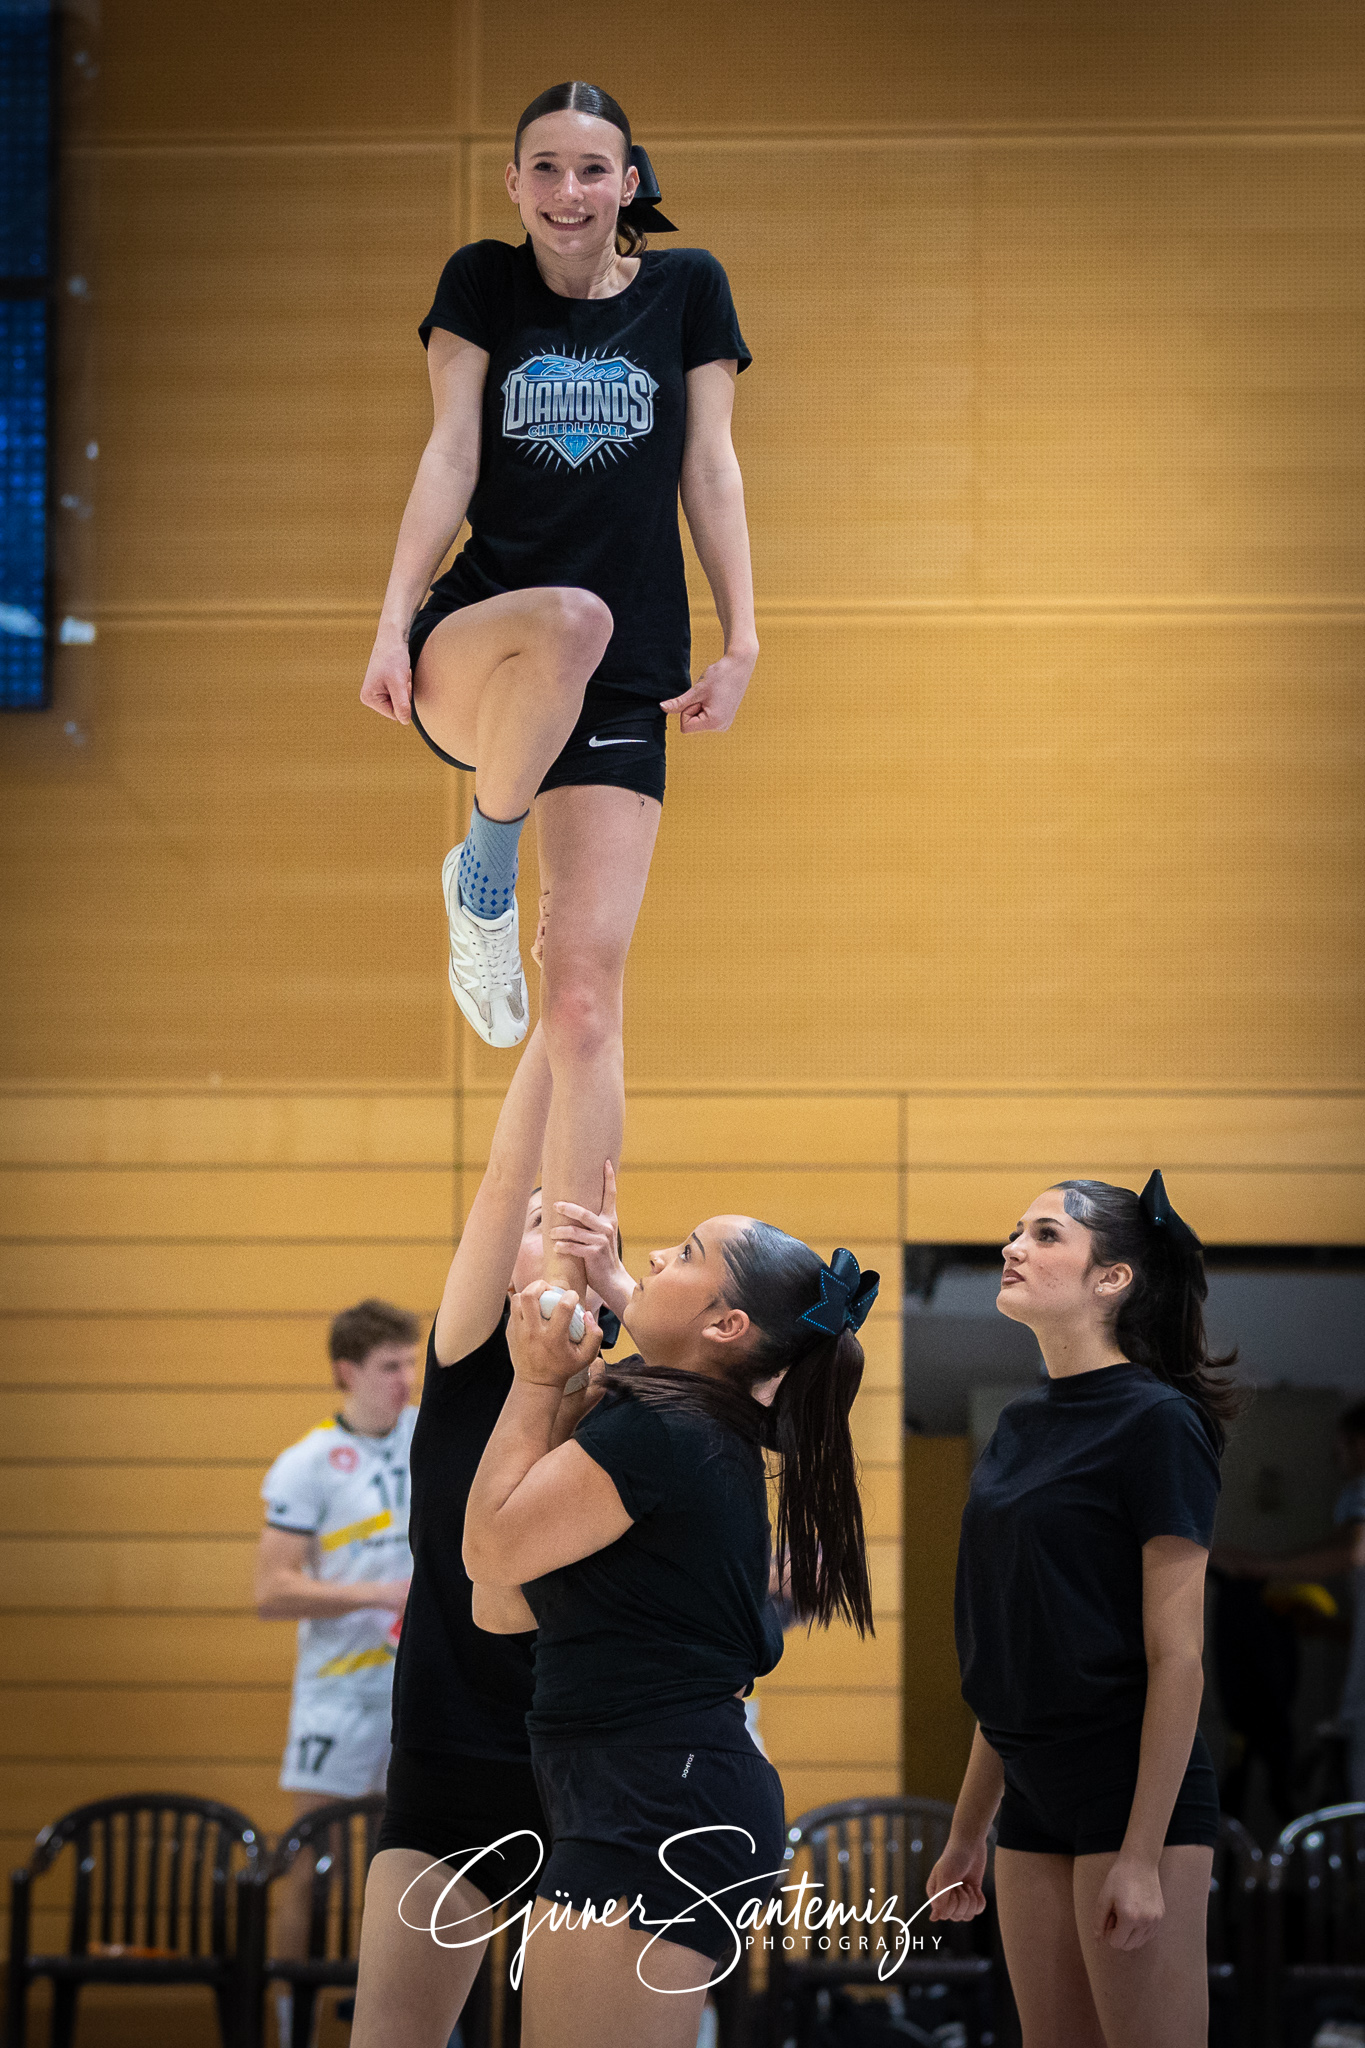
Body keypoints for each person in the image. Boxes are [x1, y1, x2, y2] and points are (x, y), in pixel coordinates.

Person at [359, 77, 758, 1312]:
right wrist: (388, 621)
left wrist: (744, 636)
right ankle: (483, 868)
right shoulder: (482, 281)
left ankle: (577, 1283)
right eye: (544, 169)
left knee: (584, 998)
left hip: (623, 677)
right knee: (570, 614)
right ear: (515, 184)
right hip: (485, 646)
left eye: (593, 169)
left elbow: (709, 464)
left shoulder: (689, 292)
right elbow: (450, 453)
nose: (569, 193)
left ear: (629, 180)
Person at [463, 1209, 878, 2048]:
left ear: (726, 1326)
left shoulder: (669, 1431)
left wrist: (540, 1382)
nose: (651, 1255)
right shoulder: (682, 1422)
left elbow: (490, 1548)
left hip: (659, 1799)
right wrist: (601, 1309)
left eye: (685, 1254)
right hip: (639, 1791)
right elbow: (499, 1605)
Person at [927, 1173, 1246, 2048]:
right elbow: (1017, 1652)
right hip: (1030, 1798)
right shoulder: (1018, 1424)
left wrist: (1142, 1855)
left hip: (1129, 1788)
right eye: (1014, 1232)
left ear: (1111, 1279)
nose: (1011, 1249)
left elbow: (1178, 1659)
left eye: (1042, 1235)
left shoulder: (1158, 1424)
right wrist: (967, 1834)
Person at [350, 1029, 615, 2048]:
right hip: (449, 1742)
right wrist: (564, 1017)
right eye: (537, 1226)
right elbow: (506, 1176)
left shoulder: (631, 1387)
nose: (552, 1237)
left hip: (587, 1757)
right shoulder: (464, 1351)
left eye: (577, 1228)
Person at [254, 1299, 420, 2035]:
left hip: (417, 1689)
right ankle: (290, 2017)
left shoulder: (430, 1435)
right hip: (339, 1694)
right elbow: (272, 1590)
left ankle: (418, 2019)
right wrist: (379, 1591)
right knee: (310, 1862)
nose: (407, 1380)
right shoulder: (307, 1461)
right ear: (346, 1371)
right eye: (390, 1366)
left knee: (418, 1862)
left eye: (412, 1362)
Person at [1214, 1395, 1365, 1800]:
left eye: (1342, 1447)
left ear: (1356, 1443)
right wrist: (1329, 1629)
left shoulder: (1360, 1491)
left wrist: (1258, 1566)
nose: (1338, 1459)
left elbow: (1352, 1549)